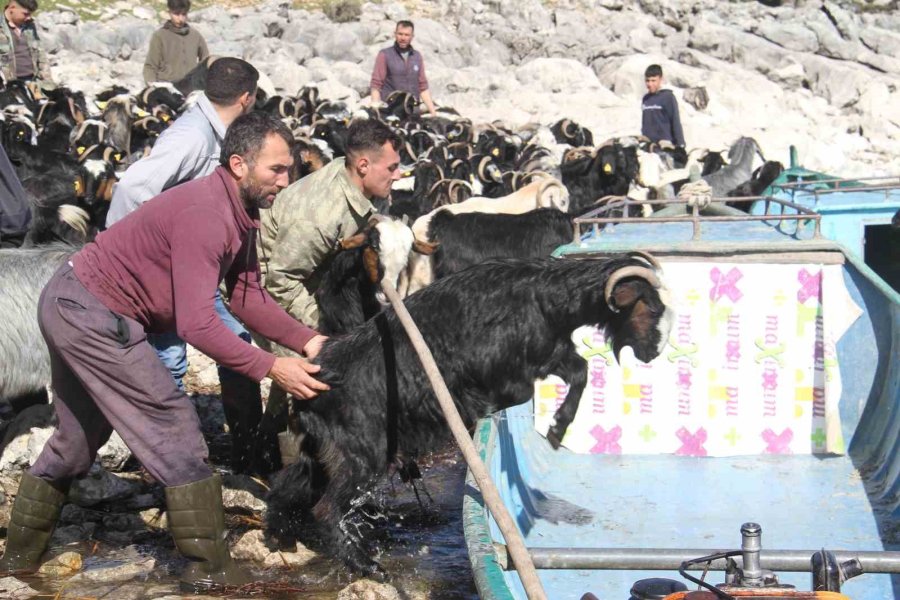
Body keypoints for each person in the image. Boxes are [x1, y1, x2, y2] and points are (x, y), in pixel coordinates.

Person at [0, 112, 328, 589]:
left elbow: (245, 297)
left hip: (74, 302)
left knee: (77, 441)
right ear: (239, 164)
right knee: (174, 426)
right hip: (89, 312)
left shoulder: (241, 215)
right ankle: (211, 573)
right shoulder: (207, 214)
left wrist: (307, 339)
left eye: (290, 168)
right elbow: (197, 323)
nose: (287, 179)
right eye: (276, 169)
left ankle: (17, 563)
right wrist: (272, 366)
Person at [108, 57, 270, 476]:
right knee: (171, 358)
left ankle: (248, 451)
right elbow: (132, 186)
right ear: (246, 98)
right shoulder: (193, 137)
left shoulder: (208, 131)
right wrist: (127, 256)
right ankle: (167, 460)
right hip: (162, 270)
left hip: (188, 268)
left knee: (231, 344)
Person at [260, 118, 401, 330]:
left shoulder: (374, 192)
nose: (398, 175)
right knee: (317, 361)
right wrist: (327, 327)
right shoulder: (319, 213)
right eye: (392, 168)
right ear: (363, 166)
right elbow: (280, 281)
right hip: (264, 292)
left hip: (319, 279)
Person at [369, 20, 436, 117]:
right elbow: (376, 84)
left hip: (413, 111)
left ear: (412, 36)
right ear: (395, 34)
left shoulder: (417, 56)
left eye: (407, 35)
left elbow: (423, 87)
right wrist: (375, 108)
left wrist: (433, 112)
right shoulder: (384, 55)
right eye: (400, 34)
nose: (403, 38)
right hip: (391, 111)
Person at [143, 0, 209, 85]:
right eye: (176, 14)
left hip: (191, 85)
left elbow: (205, 60)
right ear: (169, 13)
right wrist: (151, 86)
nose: (180, 19)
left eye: (184, 14)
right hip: (167, 85)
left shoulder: (195, 35)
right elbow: (150, 66)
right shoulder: (160, 36)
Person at [0, 0, 53, 88]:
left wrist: (48, 83)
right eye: (25, 14)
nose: (29, 17)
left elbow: (40, 54)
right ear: (12, 8)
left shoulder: (30, 26)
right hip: (8, 85)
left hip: (33, 82)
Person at [641, 64, 684, 148]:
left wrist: (680, 144)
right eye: (647, 80)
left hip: (664, 144)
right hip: (648, 144)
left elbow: (675, 121)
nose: (650, 84)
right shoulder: (646, 99)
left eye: (653, 80)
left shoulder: (668, 97)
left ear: (660, 79)